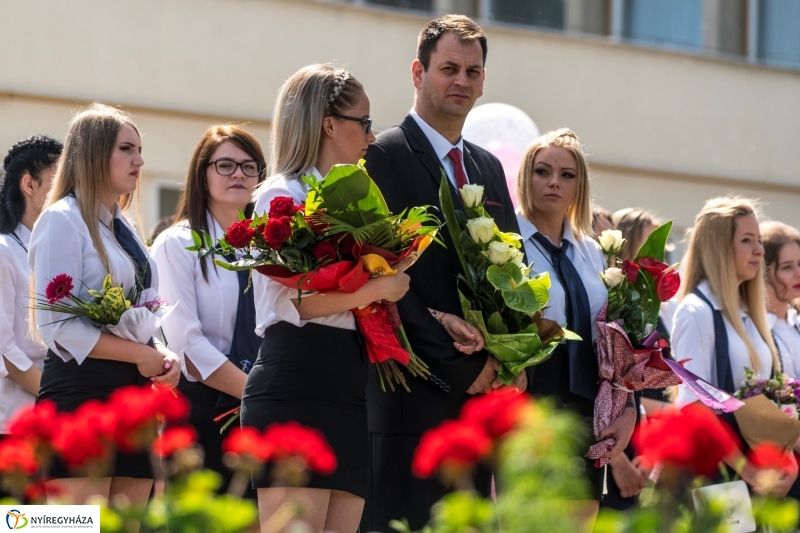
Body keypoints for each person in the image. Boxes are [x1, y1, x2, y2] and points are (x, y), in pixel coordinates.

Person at [361, 15, 522, 532]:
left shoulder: (488, 168)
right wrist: (458, 367)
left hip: (479, 407)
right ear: (418, 72)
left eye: (472, 72)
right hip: (410, 406)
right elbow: (381, 281)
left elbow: (512, 273)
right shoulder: (381, 156)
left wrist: (511, 357)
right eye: (449, 68)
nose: (462, 81)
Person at [242, 64, 412, 533]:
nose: (372, 136)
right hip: (295, 381)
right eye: (365, 122)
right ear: (329, 124)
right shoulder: (281, 195)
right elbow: (288, 304)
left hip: (347, 385)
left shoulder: (351, 201)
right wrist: (376, 289)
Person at [29, 104, 181, 507]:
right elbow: (56, 326)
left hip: (131, 397)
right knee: (75, 526)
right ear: (94, 154)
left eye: (139, 150)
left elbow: (140, 313)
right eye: (127, 149)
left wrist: (161, 353)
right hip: (80, 393)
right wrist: (141, 355)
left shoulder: (124, 226)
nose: (139, 161)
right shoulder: (61, 219)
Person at [515, 128, 637, 521]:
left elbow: (616, 339)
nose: (554, 182)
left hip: (588, 407)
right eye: (543, 171)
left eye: (567, 175)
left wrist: (627, 408)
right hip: (529, 403)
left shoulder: (595, 252)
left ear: (579, 186)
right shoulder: (506, 242)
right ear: (525, 177)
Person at [150, 125, 266, 492]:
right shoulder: (175, 244)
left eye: (249, 166)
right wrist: (259, 396)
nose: (238, 174)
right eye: (225, 165)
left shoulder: (269, 249)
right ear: (202, 175)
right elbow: (187, 345)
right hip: (203, 412)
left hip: (261, 414)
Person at [672, 197, 796, 495]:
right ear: (719, 248)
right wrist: (747, 469)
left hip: (758, 476)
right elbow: (693, 406)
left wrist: (787, 460)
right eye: (747, 240)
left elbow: (770, 395)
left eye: (759, 240)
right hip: (719, 477)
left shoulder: (748, 312)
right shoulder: (696, 311)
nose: (759, 250)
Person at [0, 136, 62, 453]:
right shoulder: (4, 251)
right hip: (15, 423)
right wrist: (61, 400)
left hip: (53, 419)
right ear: (29, 183)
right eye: (59, 177)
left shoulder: (57, 249)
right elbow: (5, 353)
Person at [761, 221, 800, 378]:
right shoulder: (750, 328)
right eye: (787, 267)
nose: (798, 273)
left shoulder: (796, 322)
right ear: (763, 273)